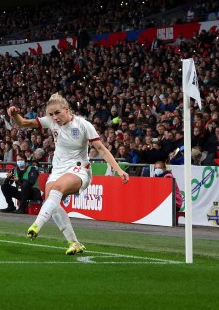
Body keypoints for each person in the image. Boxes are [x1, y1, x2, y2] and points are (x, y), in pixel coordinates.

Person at [8, 93, 129, 255]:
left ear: (67, 109)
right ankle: (74, 242)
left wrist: (118, 169)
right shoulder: (51, 122)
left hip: (79, 169)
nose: (54, 117)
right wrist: (14, 113)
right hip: (58, 169)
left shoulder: (83, 125)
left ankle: (37, 224)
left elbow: (101, 148)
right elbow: (23, 123)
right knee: (51, 199)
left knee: (57, 189)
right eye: (51, 114)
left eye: (57, 113)